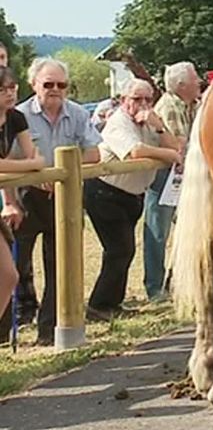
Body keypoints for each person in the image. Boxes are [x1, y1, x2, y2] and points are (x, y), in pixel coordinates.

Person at [5, 58, 101, 346]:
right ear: (34, 85)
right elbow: (6, 162)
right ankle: (4, 334)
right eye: (48, 84)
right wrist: (11, 200)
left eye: (62, 85)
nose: (56, 90)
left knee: (60, 266)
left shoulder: (78, 114)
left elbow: (94, 154)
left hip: (64, 197)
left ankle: (49, 331)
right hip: (24, 197)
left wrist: (62, 170)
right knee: (14, 268)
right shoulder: (17, 115)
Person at [85, 79, 181, 321]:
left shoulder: (149, 121)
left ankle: (112, 303)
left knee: (124, 251)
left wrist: (159, 127)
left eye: (148, 99)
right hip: (105, 192)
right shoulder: (118, 122)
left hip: (133, 194)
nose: (143, 104)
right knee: (120, 249)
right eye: (136, 99)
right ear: (123, 100)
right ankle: (98, 305)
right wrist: (169, 155)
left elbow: (175, 146)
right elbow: (134, 151)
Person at [142, 62, 200, 301]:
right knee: (158, 232)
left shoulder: (192, 105)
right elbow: (180, 144)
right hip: (166, 176)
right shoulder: (171, 106)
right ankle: (155, 288)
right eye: (195, 78)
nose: (199, 82)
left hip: (184, 174)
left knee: (190, 229)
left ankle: (176, 281)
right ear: (181, 85)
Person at [0, 68, 46, 339]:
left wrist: (24, 166)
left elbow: (37, 158)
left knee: (9, 275)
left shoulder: (16, 118)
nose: (9, 94)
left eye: (13, 88)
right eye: (3, 89)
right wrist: (27, 166)